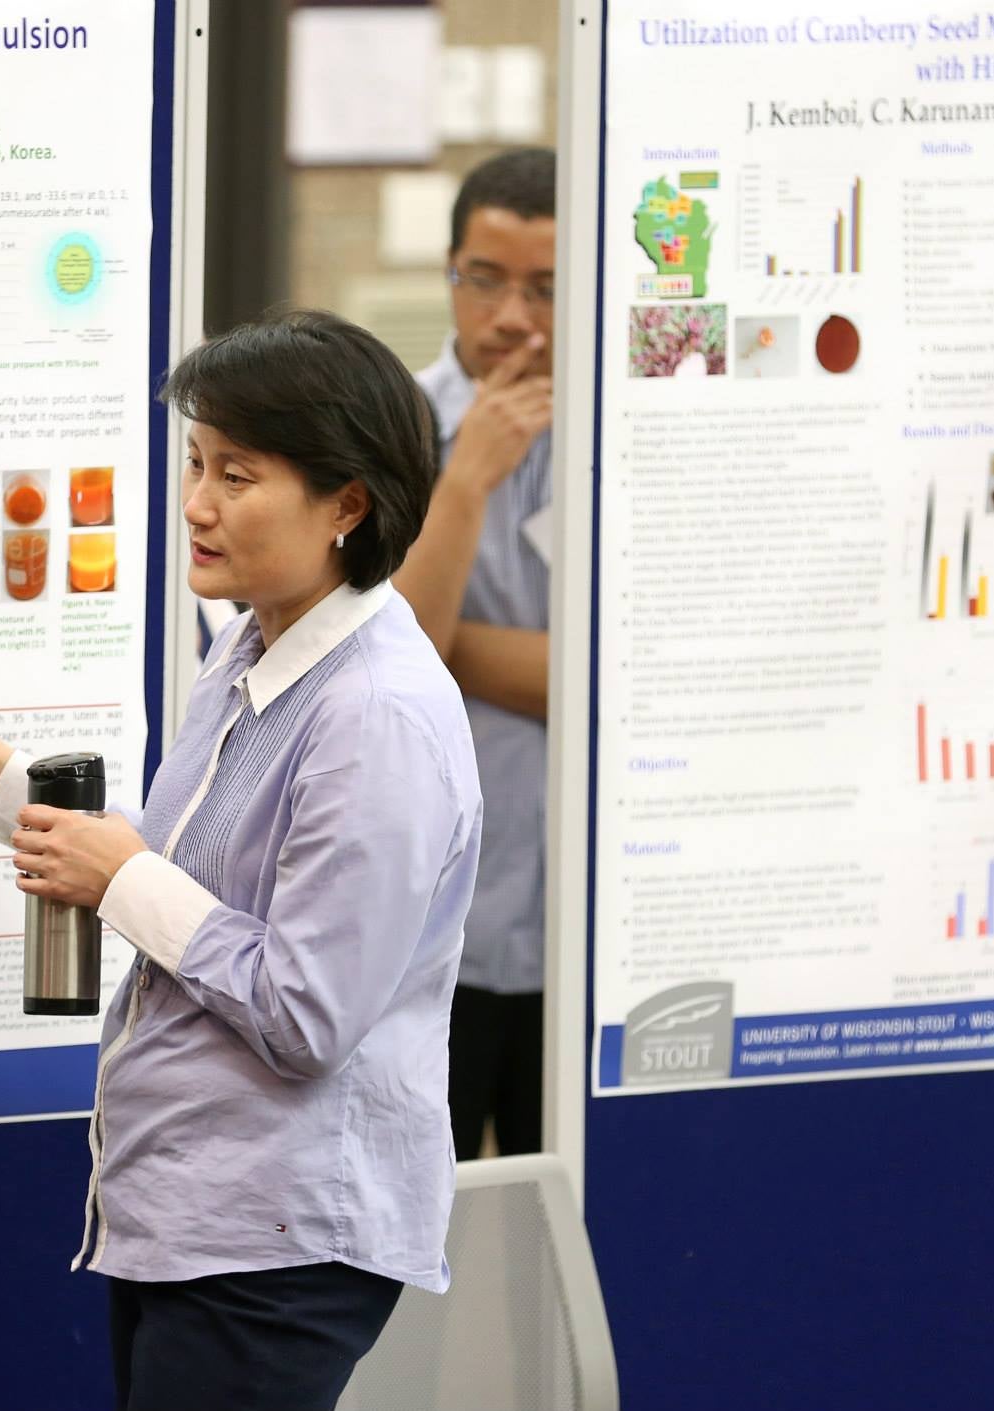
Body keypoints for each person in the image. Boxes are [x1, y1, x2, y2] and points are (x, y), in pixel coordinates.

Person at [0, 311, 482, 1411]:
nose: (196, 502)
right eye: (195, 463)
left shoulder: (376, 715)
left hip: (275, 1241)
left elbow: (305, 1012)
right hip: (189, 1217)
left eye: (236, 475)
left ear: (348, 503)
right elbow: (170, 868)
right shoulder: (250, 644)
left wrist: (119, 880)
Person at [394, 147, 557, 1158]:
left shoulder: (623, 427)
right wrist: (461, 483)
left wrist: (452, 643)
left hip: (579, 930)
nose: (510, 317)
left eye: (545, 287)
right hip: (437, 931)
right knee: (421, 1234)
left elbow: (622, 684)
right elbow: (391, 663)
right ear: (449, 274)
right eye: (484, 280)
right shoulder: (393, 426)